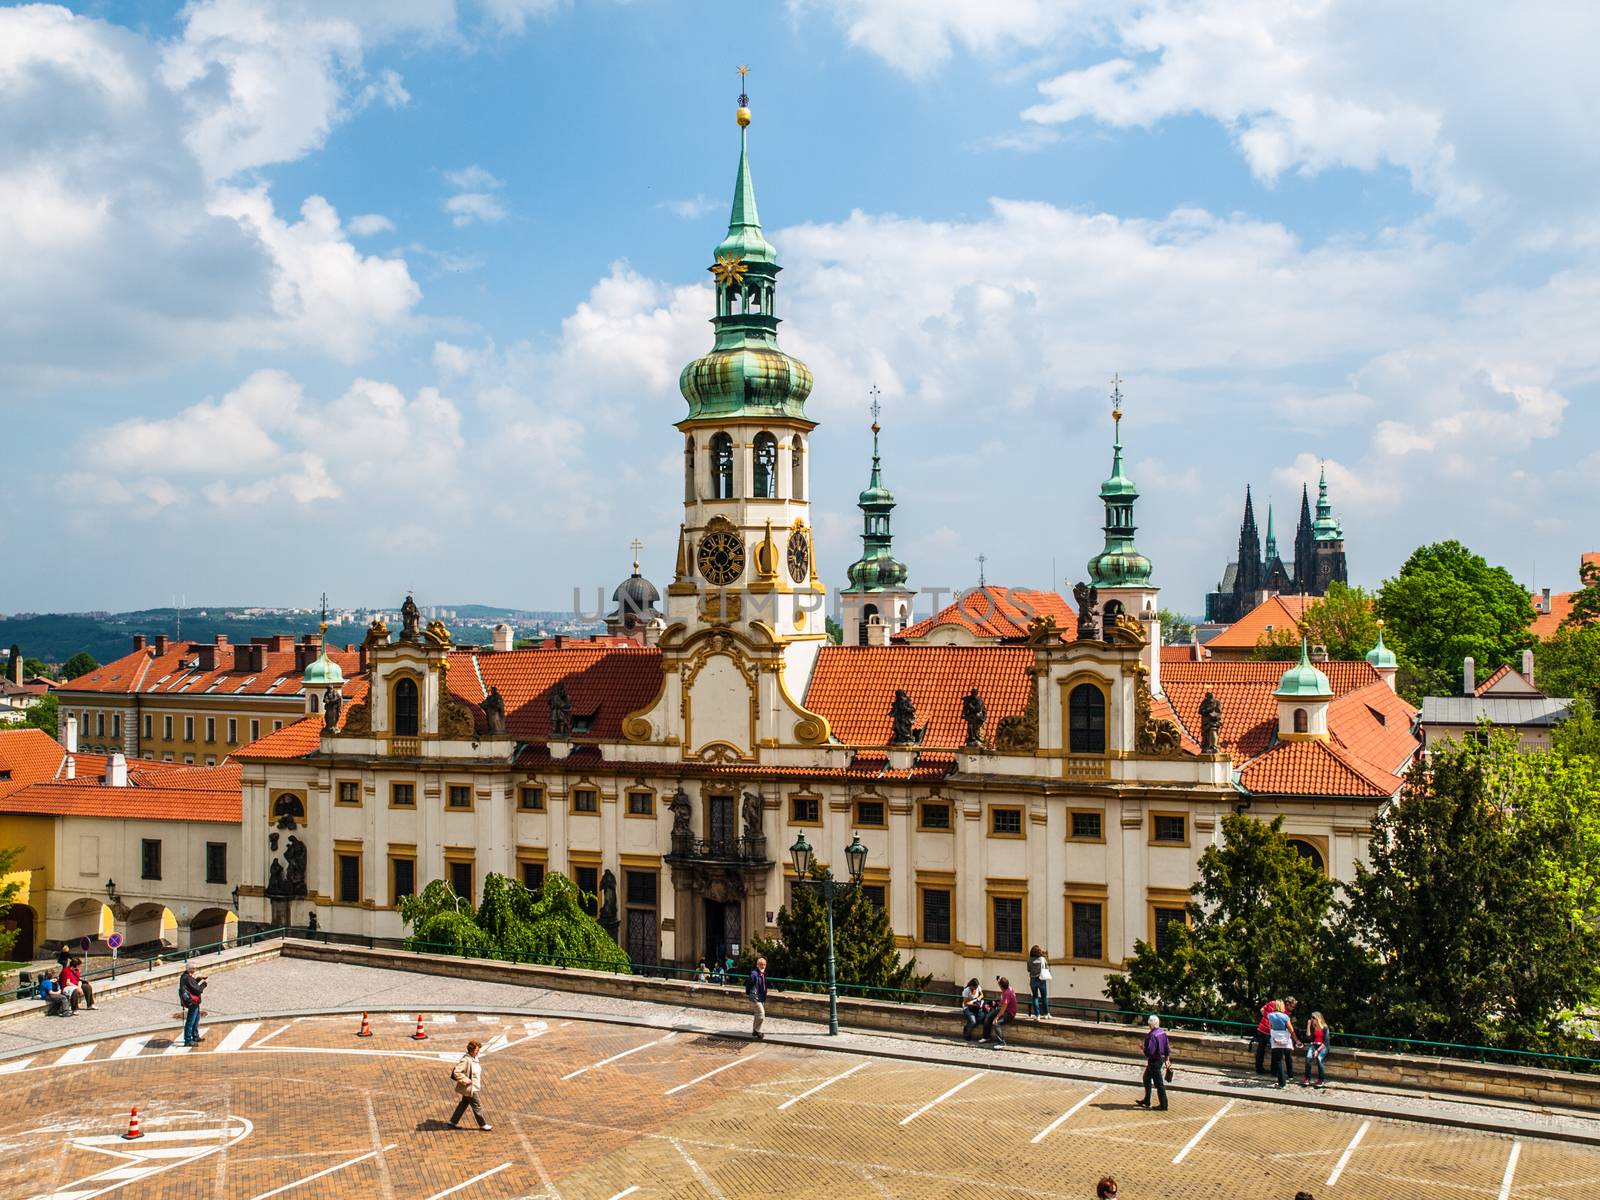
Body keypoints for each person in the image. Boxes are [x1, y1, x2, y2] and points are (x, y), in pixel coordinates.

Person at [448, 1039, 492, 1130]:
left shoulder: (474, 1058)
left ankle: (453, 1121)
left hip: (473, 1086)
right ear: (471, 1050)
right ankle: (482, 1124)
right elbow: (457, 1072)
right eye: (476, 1050)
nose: (478, 1052)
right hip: (471, 1088)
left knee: (464, 1104)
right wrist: (465, 1080)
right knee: (477, 1106)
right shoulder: (466, 1060)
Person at [1135, 1014, 1171, 1110]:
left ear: (1151, 1025)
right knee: (1146, 1078)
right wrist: (1167, 1059)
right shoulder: (1162, 1033)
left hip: (1154, 1061)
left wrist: (1143, 1048)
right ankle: (1147, 1100)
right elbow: (1167, 1047)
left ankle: (1164, 1105)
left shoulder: (1152, 1036)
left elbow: (1149, 1052)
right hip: (1160, 1060)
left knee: (1158, 1083)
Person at [1267, 1002, 1298, 1088]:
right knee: (1288, 1057)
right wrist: (1296, 1040)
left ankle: (1281, 1082)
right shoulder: (1285, 1017)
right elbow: (1291, 1030)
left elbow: (1270, 1027)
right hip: (1285, 1039)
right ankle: (1290, 1075)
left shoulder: (1270, 1015)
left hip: (1275, 1039)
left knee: (1278, 1060)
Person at [981, 976, 1017, 1047]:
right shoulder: (1007, 987)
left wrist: (996, 1018)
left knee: (996, 1023)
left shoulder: (1007, 993)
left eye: (999, 984)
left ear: (1001, 986)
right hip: (1004, 1009)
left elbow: (1003, 1009)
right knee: (988, 1016)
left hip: (1009, 1013)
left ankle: (1002, 1043)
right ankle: (986, 1037)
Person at [179, 964, 206, 1046]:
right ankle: (188, 1040)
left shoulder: (184, 976)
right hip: (193, 1002)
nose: (195, 969)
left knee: (196, 1019)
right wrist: (204, 983)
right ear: (191, 969)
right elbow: (198, 990)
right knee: (191, 1021)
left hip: (193, 1001)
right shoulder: (188, 978)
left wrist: (199, 979)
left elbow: (192, 985)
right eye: (194, 968)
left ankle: (195, 1036)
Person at [1303, 1011, 1329, 1088]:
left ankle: (1321, 1080)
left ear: (1318, 1018)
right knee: (1308, 1058)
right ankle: (1307, 1078)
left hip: (1323, 1046)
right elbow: (1308, 1037)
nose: (1311, 1019)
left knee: (1319, 1058)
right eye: (1311, 1018)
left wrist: (1317, 1051)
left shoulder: (1325, 1027)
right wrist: (1308, 1025)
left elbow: (1326, 1041)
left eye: (1313, 1018)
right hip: (1314, 1045)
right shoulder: (1313, 1026)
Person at [745, 955, 768, 1039]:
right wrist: (748, 993)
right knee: (761, 1014)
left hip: (761, 997)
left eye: (764, 964)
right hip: (755, 997)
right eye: (761, 964)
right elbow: (748, 983)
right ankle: (758, 1031)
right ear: (757, 965)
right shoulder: (754, 974)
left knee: (757, 1014)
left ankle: (754, 1030)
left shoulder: (762, 974)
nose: (762, 966)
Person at [1026, 944, 1051, 1018]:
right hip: (1041, 980)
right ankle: (1046, 1014)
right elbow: (1046, 968)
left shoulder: (1029, 960)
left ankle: (1037, 1015)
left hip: (1033, 980)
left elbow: (1028, 970)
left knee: (1035, 997)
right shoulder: (1042, 959)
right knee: (1044, 997)